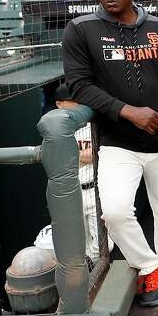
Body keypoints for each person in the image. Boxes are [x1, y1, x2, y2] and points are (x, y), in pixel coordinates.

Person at [62, 0, 158, 307]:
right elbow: (78, 85)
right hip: (120, 142)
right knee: (117, 211)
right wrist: (126, 111)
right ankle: (151, 266)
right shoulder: (82, 29)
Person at [52, 84, 114, 265]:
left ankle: (92, 268)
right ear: (59, 104)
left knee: (105, 244)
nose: (78, 105)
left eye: (80, 101)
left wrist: (75, 156)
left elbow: (95, 154)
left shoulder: (92, 123)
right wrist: (82, 156)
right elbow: (58, 159)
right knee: (79, 244)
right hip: (71, 194)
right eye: (73, 102)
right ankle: (89, 280)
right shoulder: (56, 129)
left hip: (94, 190)